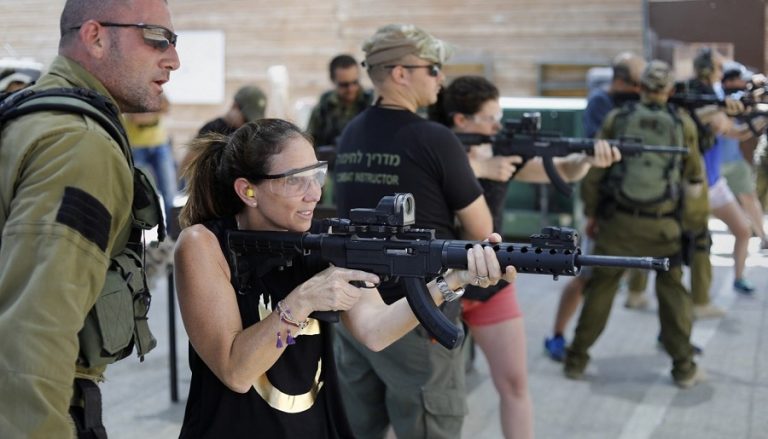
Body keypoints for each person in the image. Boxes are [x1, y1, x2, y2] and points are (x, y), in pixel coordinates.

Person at [173, 118, 514, 438]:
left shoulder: (324, 241)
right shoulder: (204, 245)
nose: (315, 194)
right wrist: (303, 300)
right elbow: (236, 372)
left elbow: (375, 331)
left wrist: (452, 280)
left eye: (317, 176)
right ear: (248, 191)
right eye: (296, 180)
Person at [0, 0, 179, 437]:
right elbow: (35, 329)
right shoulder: (81, 145)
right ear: (95, 36)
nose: (173, 59)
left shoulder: (36, 116)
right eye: (156, 38)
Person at [430, 75, 619, 439]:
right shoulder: (433, 152)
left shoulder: (502, 150)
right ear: (461, 121)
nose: (499, 125)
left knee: (515, 385)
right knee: (431, 396)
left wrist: (586, 158)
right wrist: (478, 170)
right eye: (491, 118)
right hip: (436, 284)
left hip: (490, 282)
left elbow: (562, 170)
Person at [332, 24, 495, 438]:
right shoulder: (434, 138)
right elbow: (482, 229)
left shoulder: (352, 132)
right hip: (416, 315)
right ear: (401, 73)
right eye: (434, 68)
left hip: (357, 311)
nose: (441, 78)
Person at [564, 60, 705, 388]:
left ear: (640, 88)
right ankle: (684, 367)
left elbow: (596, 173)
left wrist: (593, 214)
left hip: (619, 224)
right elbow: (694, 178)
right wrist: (692, 225)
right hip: (663, 227)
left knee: (601, 290)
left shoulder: (618, 118)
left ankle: (576, 360)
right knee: (673, 293)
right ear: (669, 90)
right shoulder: (682, 123)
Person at [544, 52, 646, 361]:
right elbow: (596, 161)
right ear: (621, 81)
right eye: (638, 83)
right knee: (585, 273)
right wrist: (593, 211)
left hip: (634, 202)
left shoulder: (636, 103)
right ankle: (557, 336)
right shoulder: (602, 103)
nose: (643, 90)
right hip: (602, 200)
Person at [124, 93, 176, 229]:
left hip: (160, 144)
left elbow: (166, 107)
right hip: (137, 146)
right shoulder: (132, 90)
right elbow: (136, 118)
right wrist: (156, 111)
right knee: (137, 192)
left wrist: (148, 112)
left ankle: (171, 234)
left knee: (169, 190)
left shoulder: (156, 89)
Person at [306, 54, 373, 148]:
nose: (351, 89)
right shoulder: (323, 109)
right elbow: (310, 144)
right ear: (333, 80)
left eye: (355, 82)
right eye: (344, 85)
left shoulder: (372, 104)